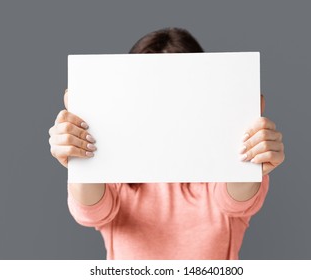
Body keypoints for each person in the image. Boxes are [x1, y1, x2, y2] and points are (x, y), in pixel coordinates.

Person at [48, 27, 285, 260]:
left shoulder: (222, 170)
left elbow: (236, 201)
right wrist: (78, 155)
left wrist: (251, 150)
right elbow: (90, 212)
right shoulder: (116, 174)